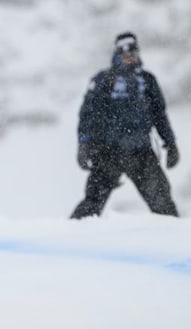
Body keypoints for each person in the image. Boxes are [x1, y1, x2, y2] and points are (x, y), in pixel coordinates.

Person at [71, 32, 180, 219]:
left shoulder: (147, 81)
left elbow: (159, 115)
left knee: (162, 203)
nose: (129, 56)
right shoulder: (103, 80)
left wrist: (170, 143)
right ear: (117, 53)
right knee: (92, 203)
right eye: (124, 52)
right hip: (108, 152)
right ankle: (65, 239)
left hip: (141, 152)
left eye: (132, 51)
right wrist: (84, 144)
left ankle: (178, 242)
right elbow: (88, 115)